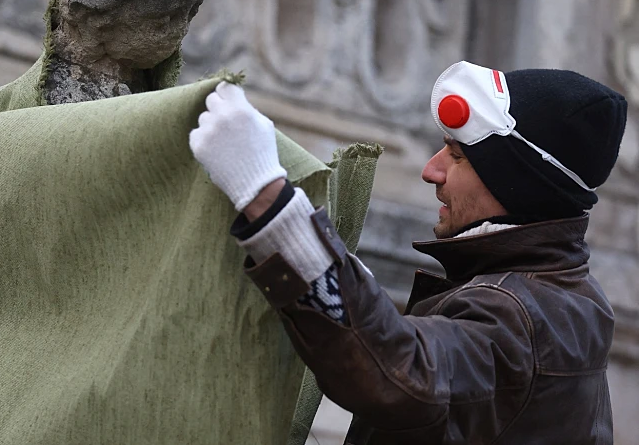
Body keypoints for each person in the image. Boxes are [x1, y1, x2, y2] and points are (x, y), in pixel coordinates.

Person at [189, 61, 628, 444]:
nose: (429, 170)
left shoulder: (519, 313)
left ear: (516, 186)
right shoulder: (563, 293)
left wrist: (267, 198)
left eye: (456, 156)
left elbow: (404, 376)